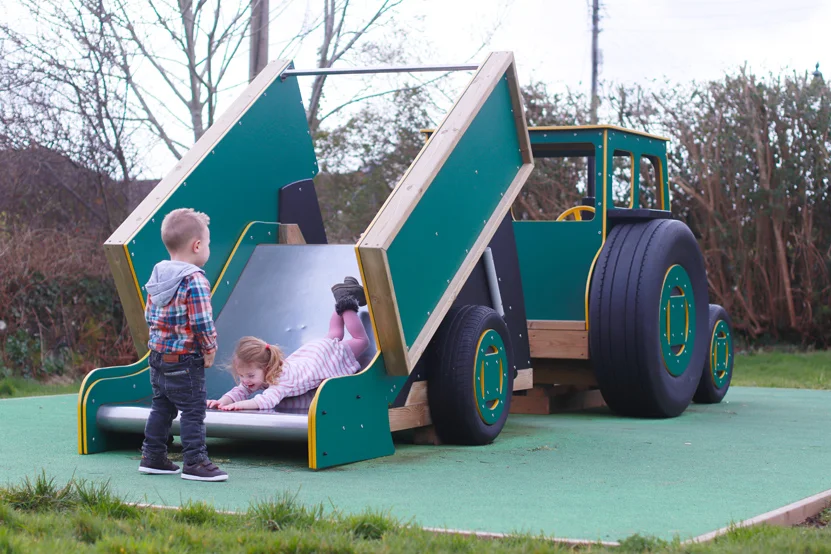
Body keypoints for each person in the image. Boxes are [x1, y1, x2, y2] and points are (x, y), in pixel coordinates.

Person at [139, 207, 227, 482]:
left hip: (158, 356)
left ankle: (152, 456)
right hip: (186, 359)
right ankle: (195, 462)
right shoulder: (194, 279)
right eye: (209, 243)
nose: (208, 249)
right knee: (192, 410)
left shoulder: (158, 274)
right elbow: (202, 320)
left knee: (161, 407)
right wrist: (210, 348)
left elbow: (148, 315)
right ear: (197, 245)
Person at [208, 277, 368, 411]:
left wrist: (238, 406)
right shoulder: (258, 375)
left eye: (249, 376)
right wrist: (222, 402)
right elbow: (239, 391)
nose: (245, 381)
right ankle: (344, 295)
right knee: (334, 334)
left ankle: (346, 300)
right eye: (242, 375)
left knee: (361, 341)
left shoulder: (281, 381)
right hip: (313, 352)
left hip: (322, 361)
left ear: (267, 368)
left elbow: (265, 402)